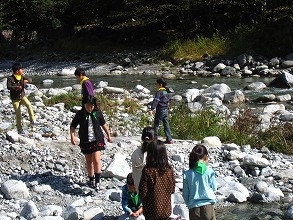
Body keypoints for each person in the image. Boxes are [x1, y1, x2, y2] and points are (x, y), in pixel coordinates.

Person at [70, 95, 112, 190]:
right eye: (88, 106)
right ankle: (91, 179)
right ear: (84, 105)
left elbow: (103, 124)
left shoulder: (98, 113)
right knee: (89, 162)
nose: (90, 108)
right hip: (85, 140)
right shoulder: (80, 114)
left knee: (96, 160)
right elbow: (73, 126)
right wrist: (72, 137)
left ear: (94, 105)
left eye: (92, 106)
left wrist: (109, 135)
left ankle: (97, 182)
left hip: (97, 139)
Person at [139, 139, 175, 220]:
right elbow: (172, 189)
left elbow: (143, 192)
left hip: (151, 211)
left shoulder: (148, 170)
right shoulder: (169, 170)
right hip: (165, 210)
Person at [182, 144, 217, 220]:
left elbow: (185, 194)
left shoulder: (187, 174)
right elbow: (214, 188)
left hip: (194, 208)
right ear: (206, 157)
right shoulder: (210, 172)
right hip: (208, 207)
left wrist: (189, 204)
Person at [7, 63, 35, 134]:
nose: (22, 70)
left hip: (22, 96)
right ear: (17, 71)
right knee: (18, 115)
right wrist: (17, 87)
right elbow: (8, 87)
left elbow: (30, 79)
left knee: (29, 105)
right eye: (21, 69)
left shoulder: (22, 76)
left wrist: (27, 81)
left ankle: (32, 121)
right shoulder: (10, 78)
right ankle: (20, 130)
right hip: (15, 99)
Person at [148, 78, 173, 144]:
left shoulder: (159, 92)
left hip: (160, 109)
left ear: (160, 85)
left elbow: (156, 100)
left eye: (156, 84)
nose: (156, 85)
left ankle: (154, 138)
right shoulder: (165, 91)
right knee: (166, 124)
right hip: (165, 109)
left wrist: (152, 109)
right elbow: (166, 99)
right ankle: (169, 139)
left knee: (156, 124)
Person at [131, 127, 156, 192]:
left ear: (142, 138)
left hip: (139, 187)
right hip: (153, 190)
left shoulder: (135, 153)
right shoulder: (155, 153)